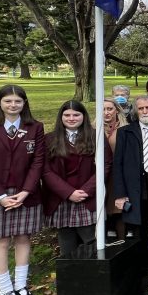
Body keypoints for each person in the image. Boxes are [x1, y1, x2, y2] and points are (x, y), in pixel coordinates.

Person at [0, 85, 45, 295]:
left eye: (18, 101)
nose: (13, 105)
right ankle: (5, 289)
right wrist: (0, 197)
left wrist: (25, 192)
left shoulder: (35, 127)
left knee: (23, 238)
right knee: (2, 241)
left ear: (24, 103)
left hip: (26, 193)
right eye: (8, 101)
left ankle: (21, 286)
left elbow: (38, 162)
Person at [43, 101, 110, 257]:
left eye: (76, 115)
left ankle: (93, 269)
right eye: (67, 115)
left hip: (87, 197)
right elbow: (45, 171)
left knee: (91, 239)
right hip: (60, 198)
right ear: (61, 117)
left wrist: (86, 190)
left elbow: (106, 165)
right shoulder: (49, 139)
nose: (71, 118)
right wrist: (68, 192)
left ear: (83, 116)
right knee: (66, 240)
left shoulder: (96, 136)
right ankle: (69, 270)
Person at [114, 95, 148, 252]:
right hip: (136, 187)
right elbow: (118, 164)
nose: (145, 111)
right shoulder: (124, 132)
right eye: (141, 108)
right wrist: (120, 194)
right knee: (139, 228)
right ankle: (142, 259)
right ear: (136, 112)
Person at [103, 98, 128, 240]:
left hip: (118, 175)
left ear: (116, 111)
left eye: (110, 109)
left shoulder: (125, 129)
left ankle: (121, 241)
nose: (106, 112)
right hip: (99, 175)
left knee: (118, 210)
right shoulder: (93, 129)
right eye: (103, 109)